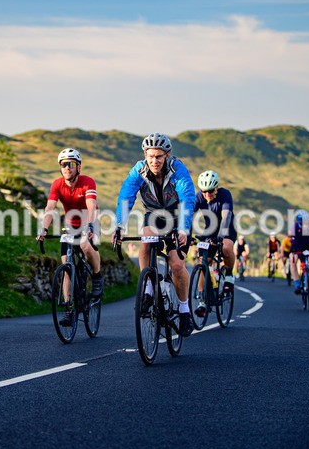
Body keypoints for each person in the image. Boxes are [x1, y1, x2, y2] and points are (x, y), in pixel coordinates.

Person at [112, 133, 196, 336]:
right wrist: (120, 226)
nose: (154, 161)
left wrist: (184, 229)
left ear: (167, 155)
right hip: (155, 216)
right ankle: (148, 289)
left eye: (158, 156)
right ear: (145, 155)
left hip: (178, 218)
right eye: (150, 156)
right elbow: (126, 196)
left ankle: (184, 310)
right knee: (145, 243)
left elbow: (187, 198)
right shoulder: (138, 171)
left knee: (176, 264)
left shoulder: (178, 170)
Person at [37, 148, 103, 326]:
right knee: (66, 264)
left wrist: (90, 226)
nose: (67, 168)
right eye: (64, 165)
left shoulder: (87, 182)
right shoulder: (57, 184)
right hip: (71, 226)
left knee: (85, 246)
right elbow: (50, 208)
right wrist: (43, 228)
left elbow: (91, 206)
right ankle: (69, 309)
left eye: (71, 164)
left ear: (78, 167)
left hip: (90, 221)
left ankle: (97, 277)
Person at [193, 170, 237, 316]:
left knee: (226, 247)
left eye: (210, 191)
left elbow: (226, 218)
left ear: (216, 187)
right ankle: (202, 300)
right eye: (204, 191)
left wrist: (219, 237)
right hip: (209, 230)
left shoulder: (225, 195)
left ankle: (229, 274)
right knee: (203, 262)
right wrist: (186, 234)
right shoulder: (199, 197)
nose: (207, 195)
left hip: (227, 227)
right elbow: (189, 218)